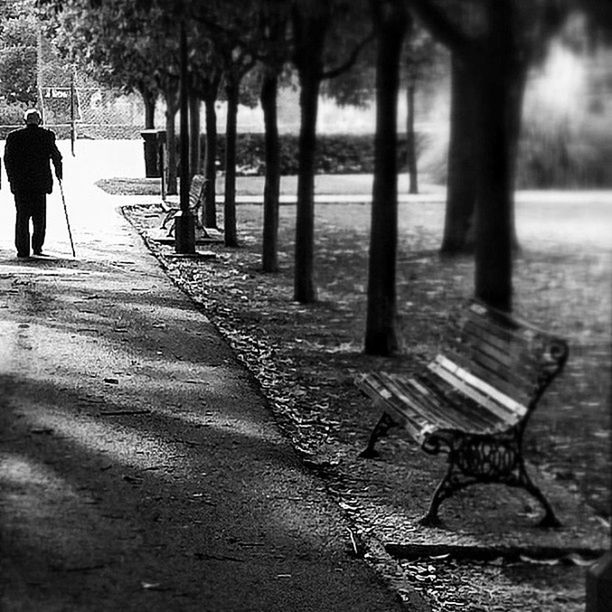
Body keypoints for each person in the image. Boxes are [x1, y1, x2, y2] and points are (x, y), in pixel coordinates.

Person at [3, 109, 63, 258]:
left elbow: (7, 159)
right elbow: (56, 156)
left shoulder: (13, 137)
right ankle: (37, 247)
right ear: (40, 121)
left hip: (20, 184)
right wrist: (59, 173)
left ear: (24, 121)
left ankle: (22, 250)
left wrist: (11, 178)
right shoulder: (47, 136)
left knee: (22, 217)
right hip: (40, 184)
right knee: (39, 217)